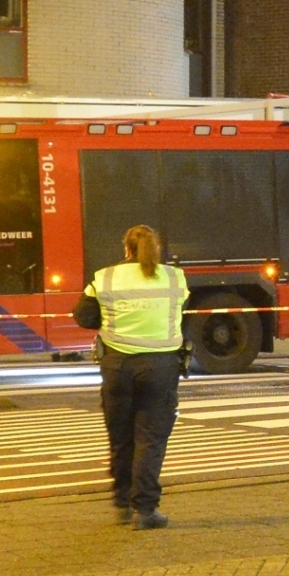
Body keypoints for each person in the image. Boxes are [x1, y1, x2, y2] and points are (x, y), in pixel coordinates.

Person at [76, 224, 189, 528]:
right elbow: (181, 309)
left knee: (121, 436)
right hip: (160, 368)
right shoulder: (174, 277)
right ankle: (146, 510)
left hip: (117, 367)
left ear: (126, 248)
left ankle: (122, 503)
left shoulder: (105, 276)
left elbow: (84, 316)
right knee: (150, 439)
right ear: (156, 250)